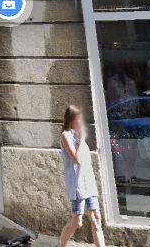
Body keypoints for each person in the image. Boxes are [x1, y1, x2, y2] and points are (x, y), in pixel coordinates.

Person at [59, 104, 105, 247]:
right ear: (71, 119)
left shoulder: (78, 136)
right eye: (78, 118)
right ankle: (61, 245)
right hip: (77, 184)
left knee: (96, 218)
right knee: (77, 222)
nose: (81, 121)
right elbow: (77, 159)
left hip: (88, 183)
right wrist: (80, 139)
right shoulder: (65, 136)